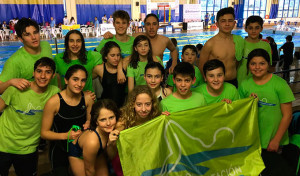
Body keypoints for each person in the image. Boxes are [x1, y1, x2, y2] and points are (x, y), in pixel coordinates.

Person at [238, 48, 295, 176]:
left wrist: (276, 140)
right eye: (253, 64)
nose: (257, 67)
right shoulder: (245, 85)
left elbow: (288, 115)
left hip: (274, 141)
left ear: (268, 64)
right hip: (253, 141)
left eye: (262, 63)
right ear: (248, 66)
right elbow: (240, 113)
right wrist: (248, 102)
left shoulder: (279, 84)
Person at [0, 58, 60, 176]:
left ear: (53, 75)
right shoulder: (16, 88)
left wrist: (87, 96)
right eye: (39, 71)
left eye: (48, 72)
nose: (42, 76)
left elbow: (70, 99)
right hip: (2, 144)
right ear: (33, 73)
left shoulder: (55, 93)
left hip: (29, 148)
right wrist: (10, 82)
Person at [41, 65, 94, 175]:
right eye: (75, 79)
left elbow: (90, 122)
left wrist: (89, 123)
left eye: (83, 80)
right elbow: (44, 133)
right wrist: (66, 136)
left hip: (80, 149)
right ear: (66, 80)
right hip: (60, 150)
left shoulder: (88, 98)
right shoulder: (53, 102)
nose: (79, 84)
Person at [107, 85, 161, 176]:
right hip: (128, 164)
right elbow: (111, 156)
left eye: (147, 104)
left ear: (153, 104)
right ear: (133, 104)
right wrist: (110, 143)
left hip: (148, 162)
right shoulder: (123, 121)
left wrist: (165, 120)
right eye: (139, 104)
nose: (143, 109)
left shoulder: (156, 117)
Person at [0, 18, 55, 94]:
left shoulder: (46, 46)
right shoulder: (15, 61)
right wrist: (11, 82)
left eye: (35, 32)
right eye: (27, 35)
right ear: (21, 39)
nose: (33, 37)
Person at [69, 99, 119, 176]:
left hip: (98, 152)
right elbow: (89, 170)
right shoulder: (92, 142)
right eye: (103, 120)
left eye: (111, 117)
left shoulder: (117, 127)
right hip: (78, 154)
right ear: (96, 122)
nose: (108, 123)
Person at [199, 7, 244, 88]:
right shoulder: (210, 44)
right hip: (215, 83)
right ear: (217, 24)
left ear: (234, 23)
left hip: (233, 82)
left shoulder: (238, 41)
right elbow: (201, 66)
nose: (227, 24)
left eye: (230, 21)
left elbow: (237, 63)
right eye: (223, 21)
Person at [237, 15, 272, 87]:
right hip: (241, 82)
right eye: (250, 28)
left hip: (259, 82)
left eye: (257, 28)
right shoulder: (240, 44)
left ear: (261, 29)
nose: (253, 31)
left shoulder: (266, 46)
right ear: (245, 29)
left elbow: (268, 66)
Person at [93, 41, 127, 107]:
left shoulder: (124, 65)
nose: (116, 58)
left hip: (122, 107)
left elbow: (135, 54)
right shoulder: (100, 69)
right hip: (106, 107)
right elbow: (87, 79)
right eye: (112, 55)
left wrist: (119, 69)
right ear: (105, 56)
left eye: (118, 55)